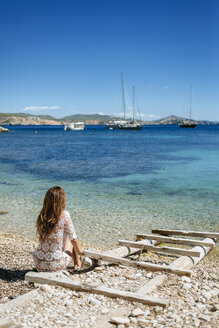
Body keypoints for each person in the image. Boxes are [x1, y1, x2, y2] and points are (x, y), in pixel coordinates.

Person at [33, 186, 84, 272]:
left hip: (39, 263)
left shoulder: (42, 215)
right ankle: (77, 264)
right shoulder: (64, 214)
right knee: (69, 236)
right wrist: (79, 250)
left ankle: (76, 263)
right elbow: (73, 239)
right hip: (55, 265)